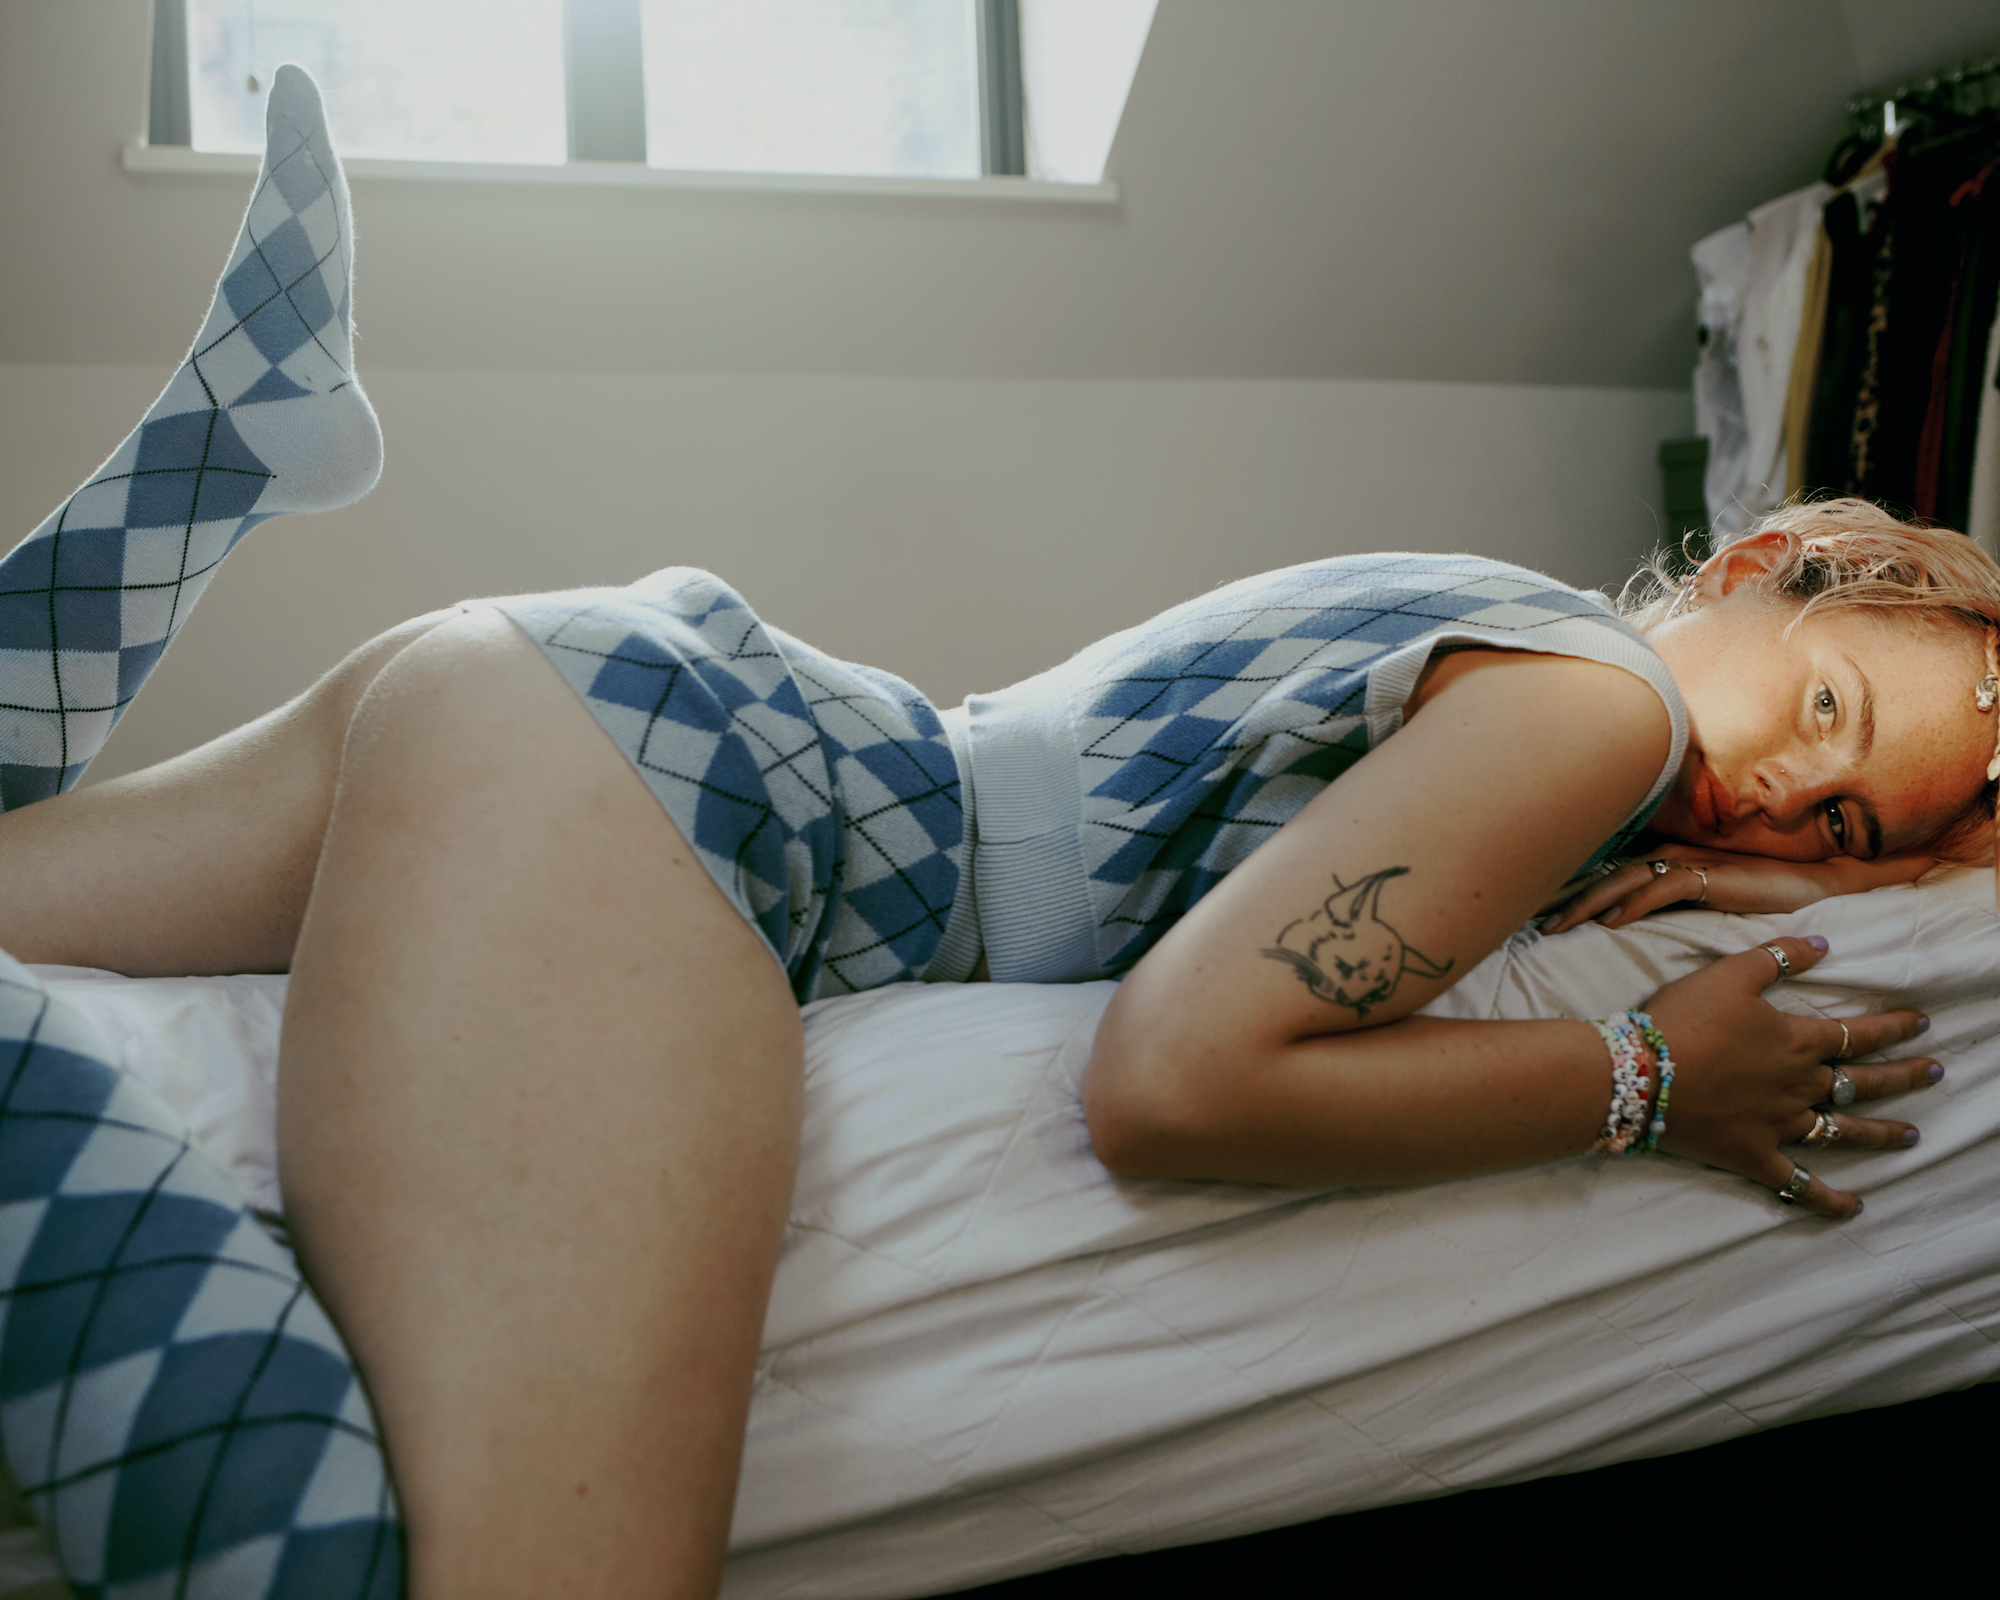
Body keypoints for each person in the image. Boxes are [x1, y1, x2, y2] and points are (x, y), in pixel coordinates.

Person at [0, 67, 1986, 1600]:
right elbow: (1175, 1075)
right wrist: (1648, 1073)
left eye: (1835, 825)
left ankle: (232, 445)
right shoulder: (1596, 710)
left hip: (559, 692)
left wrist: (1738, 863)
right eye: (1825, 710)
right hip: (664, 788)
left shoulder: (1518, 628)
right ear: (1771, 557)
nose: (1767, 795)